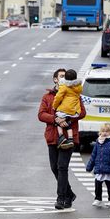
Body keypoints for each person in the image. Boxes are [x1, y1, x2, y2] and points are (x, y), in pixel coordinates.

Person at [38, 68, 77, 210]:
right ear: (55, 79)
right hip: (52, 137)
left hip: (68, 137)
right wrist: (55, 119)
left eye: (65, 76)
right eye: (61, 76)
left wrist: (67, 118)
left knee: (62, 167)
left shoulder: (73, 92)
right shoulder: (47, 96)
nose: (63, 78)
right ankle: (69, 193)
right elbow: (41, 115)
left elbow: (82, 112)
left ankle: (61, 198)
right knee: (54, 167)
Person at [86, 123, 110, 207]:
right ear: (100, 132)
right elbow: (94, 155)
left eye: (107, 131)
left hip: (109, 168)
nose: (105, 133)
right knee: (98, 185)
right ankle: (98, 198)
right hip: (99, 168)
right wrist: (89, 166)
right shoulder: (98, 142)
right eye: (103, 131)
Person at [51, 69, 83, 150]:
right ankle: (70, 138)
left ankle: (62, 137)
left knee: (58, 122)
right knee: (68, 123)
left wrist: (54, 106)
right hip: (75, 110)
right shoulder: (78, 86)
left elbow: (58, 97)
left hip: (65, 109)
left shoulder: (64, 86)